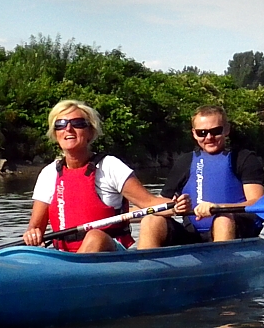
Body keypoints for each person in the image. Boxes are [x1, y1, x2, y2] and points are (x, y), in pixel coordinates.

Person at [22, 100, 190, 252]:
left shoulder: (109, 166)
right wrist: (32, 235)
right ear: (55, 133)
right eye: (60, 124)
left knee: (95, 236)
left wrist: (177, 206)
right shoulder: (49, 173)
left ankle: (71, 278)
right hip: (65, 257)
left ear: (90, 132)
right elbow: (35, 228)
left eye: (78, 123)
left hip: (110, 255)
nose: (68, 129)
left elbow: (149, 203)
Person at [137, 105, 264, 248]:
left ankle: (222, 263)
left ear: (226, 129)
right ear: (194, 133)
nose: (209, 137)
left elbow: (258, 203)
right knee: (151, 220)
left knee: (222, 219)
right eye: (202, 132)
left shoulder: (244, 159)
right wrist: (175, 208)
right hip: (192, 234)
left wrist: (220, 208)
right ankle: (145, 266)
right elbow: (161, 202)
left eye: (216, 131)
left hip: (234, 228)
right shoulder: (184, 162)